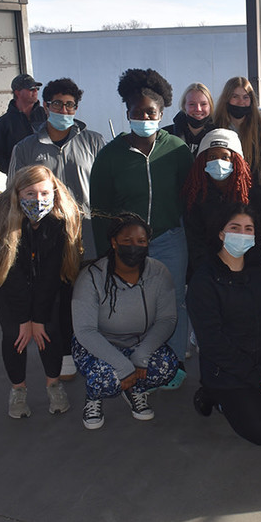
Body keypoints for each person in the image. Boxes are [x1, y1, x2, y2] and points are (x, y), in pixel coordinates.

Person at [90, 68, 193, 380]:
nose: (144, 117)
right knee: (132, 304)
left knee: (172, 304)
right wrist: (104, 253)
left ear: (161, 113)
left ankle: (173, 365)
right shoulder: (110, 156)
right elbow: (100, 211)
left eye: (151, 112)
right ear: (127, 112)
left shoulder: (176, 149)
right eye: (138, 111)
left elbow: (189, 197)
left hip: (170, 239)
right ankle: (136, 364)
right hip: (126, 246)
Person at [9, 77, 106, 381]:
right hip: (47, 239)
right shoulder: (26, 148)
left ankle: (92, 351)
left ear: (76, 108)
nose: (63, 109)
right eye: (57, 104)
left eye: (70, 105)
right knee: (56, 299)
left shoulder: (94, 141)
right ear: (46, 106)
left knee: (90, 298)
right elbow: (13, 193)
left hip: (87, 236)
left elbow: (105, 188)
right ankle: (64, 355)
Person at [188, 205, 261, 446]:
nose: (242, 234)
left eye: (248, 229)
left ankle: (252, 398)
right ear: (221, 233)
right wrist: (252, 374)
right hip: (228, 372)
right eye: (235, 228)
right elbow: (212, 343)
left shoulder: (260, 272)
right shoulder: (204, 279)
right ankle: (213, 395)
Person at [0, 165, 83, 419]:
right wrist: (25, 320)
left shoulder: (62, 217)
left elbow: (51, 273)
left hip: (48, 278)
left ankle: (53, 385)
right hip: (3, 278)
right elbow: (12, 275)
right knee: (15, 335)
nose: (39, 199)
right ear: (17, 193)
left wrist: (39, 319)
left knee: (49, 330)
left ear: (54, 191)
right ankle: (18, 390)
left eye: (45, 193)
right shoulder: (0, 217)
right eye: (30, 193)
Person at [72, 213, 181, 429]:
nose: (135, 246)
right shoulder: (92, 276)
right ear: (114, 243)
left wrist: (142, 354)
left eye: (141, 241)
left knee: (167, 367)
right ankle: (93, 398)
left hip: (138, 343)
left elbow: (167, 319)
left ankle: (135, 389)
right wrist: (122, 365)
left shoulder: (159, 272)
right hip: (98, 346)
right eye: (127, 241)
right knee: (105, 378)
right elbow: (84, 330)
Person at [183, 128, 261, 278]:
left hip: (248, 268)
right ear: (203, 160)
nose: (218, 161)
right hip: (208, 270)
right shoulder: (195, 195)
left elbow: (258, 237)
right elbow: (195, 241)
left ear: (236, 160)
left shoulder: (252, 193)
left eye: (225, 156)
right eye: (212, 156)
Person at [0, 74, 47, 174]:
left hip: (47, 176)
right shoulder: (2, 123)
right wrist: (16, 170)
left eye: (37, 88)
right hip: (20, 181)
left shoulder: (46, 115)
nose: (35, 91)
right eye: (31, 89)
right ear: (18, 93)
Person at [212, 76, 261, 166]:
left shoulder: (260, 131)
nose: (241, 102)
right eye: (235, 97)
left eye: (245, 97)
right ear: (226, 99)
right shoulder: (215, 128)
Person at [164, 82, 217, 155]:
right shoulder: (167, 135)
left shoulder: (219, 135)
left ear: (210, 106)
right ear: (184, 106)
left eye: (203, 104)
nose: (198, 109)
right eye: (192, 104)